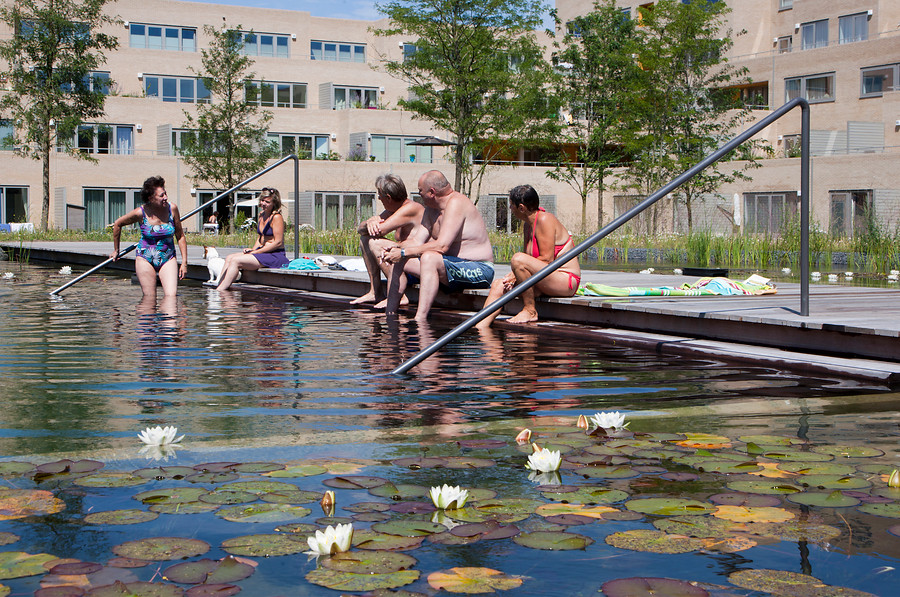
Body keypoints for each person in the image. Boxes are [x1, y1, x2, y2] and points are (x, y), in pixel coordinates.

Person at [381, 170, 493, 321]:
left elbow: (442, 246)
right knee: (399, 260)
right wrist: (396, 248)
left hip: (479, 269)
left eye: (420, 191)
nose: (418, 194)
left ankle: (420, 319)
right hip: (449, 267)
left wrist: (403, 252)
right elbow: (416, 241)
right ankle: (390, 315)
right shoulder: (430, 210)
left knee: (429, 258)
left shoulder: (456, 203)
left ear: (432, 192)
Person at [476, 184, 580, 328]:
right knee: (499, 285)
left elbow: (547, 259)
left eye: (511, 205)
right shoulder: (527, 225)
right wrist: (513, 276)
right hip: (545, 279)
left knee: (518, 259)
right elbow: (529, 263)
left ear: (521, 208)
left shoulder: (545, 220)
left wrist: (515, 272)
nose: (510, 209)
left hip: (565, 280)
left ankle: (530, 310)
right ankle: (480, 329)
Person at [350, 174, 425, 306]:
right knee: (365, 238)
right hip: (404, 262)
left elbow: (379, 230)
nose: (379, 199)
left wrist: (371, 224)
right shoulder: (393, 210)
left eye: (380, 196)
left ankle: (399, 295)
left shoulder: (411, 208)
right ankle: (375, 292)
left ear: (388, 197)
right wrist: (369, 222)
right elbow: (362, 230)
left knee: (375, 242)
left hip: (418, 264)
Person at [111, 176, 187, 297]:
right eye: (161, 195)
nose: (165, 198)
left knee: (171, 297)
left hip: (168, 257)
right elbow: (118, 224)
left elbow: (180, 236)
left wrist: (184, 262)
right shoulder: (140, 213)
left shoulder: (172, 209)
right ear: (150, 198)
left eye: (165, 194)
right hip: (145, 258)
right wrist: (116, 250)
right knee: (149, 299)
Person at [216, 187, 288, 290]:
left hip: (275, 255)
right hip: (263, 252)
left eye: (267, 202)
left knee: (236, 261)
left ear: (274, 203)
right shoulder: (261, 215)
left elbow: (278, 242)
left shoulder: (276, 217)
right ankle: (219, 284)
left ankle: (220, 291)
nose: (263, 203)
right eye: (262, 200)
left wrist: (256, 252)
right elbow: (260, 237)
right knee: (229, 257)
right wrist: (253, 250)